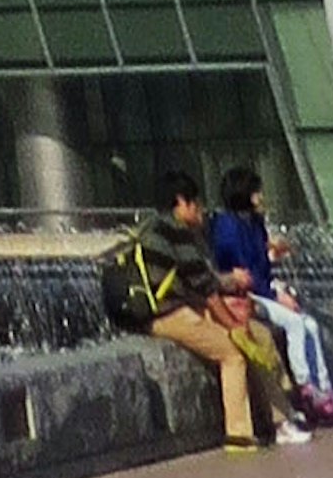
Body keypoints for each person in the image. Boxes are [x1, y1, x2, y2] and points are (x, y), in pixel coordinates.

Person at [104, 175, 301, 447]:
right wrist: (233, 325)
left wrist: (232, 286)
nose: (199, 209)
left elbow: (202, 278)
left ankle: (283, 419)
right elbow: (207, 291)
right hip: (163, 314)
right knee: (233, 354)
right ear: (181, 203)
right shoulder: (173, 231)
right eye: (195, 203)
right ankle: (239, 435)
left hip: (180, 306)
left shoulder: (158, 228)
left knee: (258, 333)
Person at [209, 165, 333, 421]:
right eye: (256, 193)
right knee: (294, 322)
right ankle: (306, 388)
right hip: (243, 296)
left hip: (261, 289)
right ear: (243, 194)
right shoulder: (228, 228)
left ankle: (325, 388)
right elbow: (244, 275)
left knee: (310, 324)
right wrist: (276, 295)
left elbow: (260, 266)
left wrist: (272, 262)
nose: (261, 197)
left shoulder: (254, 223)